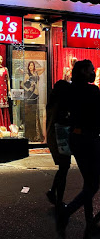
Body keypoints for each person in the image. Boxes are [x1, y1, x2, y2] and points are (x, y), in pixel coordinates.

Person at [57, 59, 100, 238]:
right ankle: (67, 211)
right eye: (91, 70)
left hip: (76, 138)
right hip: (90, 139)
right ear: (84, 71)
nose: (93, 73)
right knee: (93, 184)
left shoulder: (70, 90)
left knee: (88, 181)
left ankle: (89, 220)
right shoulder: (92, 90)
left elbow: (63, 114)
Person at [46, 80, 71, 208]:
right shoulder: (61, 105)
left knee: (63, 167)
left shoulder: (52, 103)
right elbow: (64, 120)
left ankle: (53, 193)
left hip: (54, 137)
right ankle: (58, 200)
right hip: (60, 138)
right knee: (64, 166)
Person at [24, 61, 45, 142]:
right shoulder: (27, 75)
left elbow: (43, 69)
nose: (31, 67)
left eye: (32, 65)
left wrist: (35, 69)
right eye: (30, 65)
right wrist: (28, 89)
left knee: (36, 114)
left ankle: (36, 135)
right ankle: (30, 135)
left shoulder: (36, 74)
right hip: (30, 96)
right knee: (31, 115)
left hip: (36, 96)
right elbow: (23, 84)